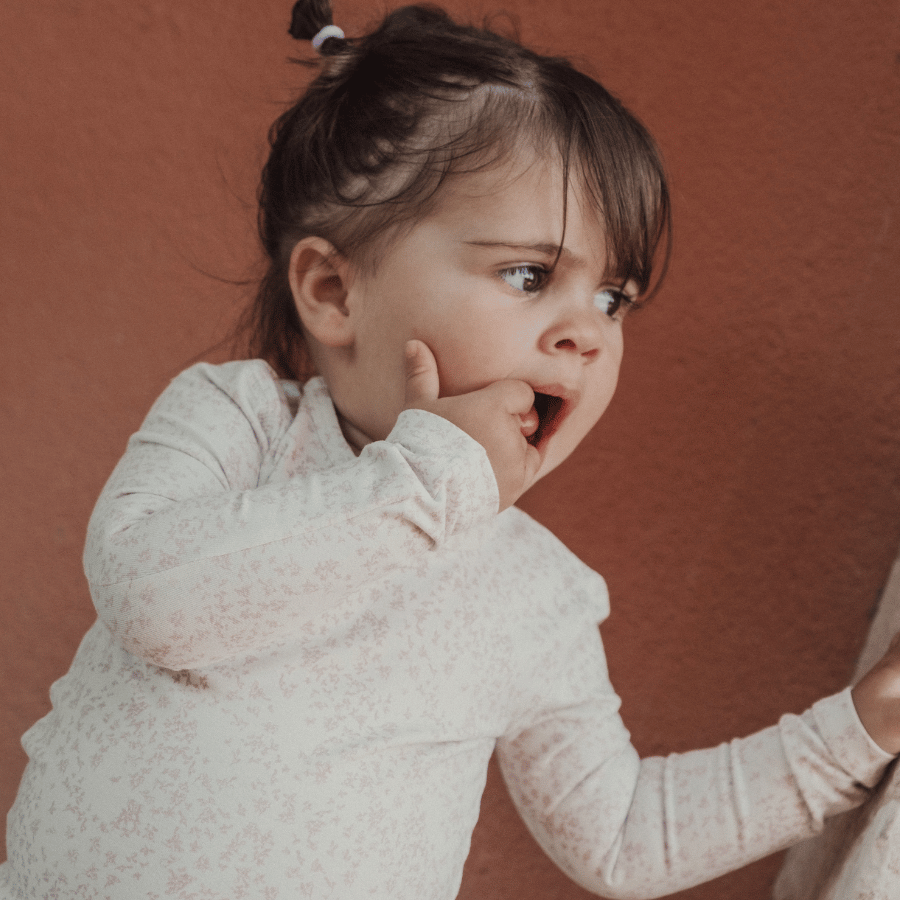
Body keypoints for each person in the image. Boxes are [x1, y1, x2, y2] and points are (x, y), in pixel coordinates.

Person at [2, 2, 899, 897]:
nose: (589, 333)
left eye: (613, 299)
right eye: (530, 275)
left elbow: (623, 836)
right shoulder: (241, 424)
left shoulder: (531, 593)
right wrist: (426, 484)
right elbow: (152, 600)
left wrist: (865, 726)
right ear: (333, 292)